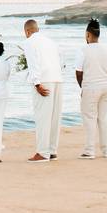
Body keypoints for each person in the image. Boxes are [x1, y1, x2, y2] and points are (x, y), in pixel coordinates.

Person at [23, 19, 64, 163]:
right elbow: (61, 62)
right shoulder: (51, 42)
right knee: (54, 117)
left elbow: (33, 63)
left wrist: (36, 83)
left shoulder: (29, 42)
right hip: (58, 79)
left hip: (44, 81)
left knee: (42, 117)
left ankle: (42, 153)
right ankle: (52, 151)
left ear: (27, 31)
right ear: (37, 29)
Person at [75, 19, 107, 159]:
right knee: (103, 119)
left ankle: (90, 151)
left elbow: (78, 73)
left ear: (87, 34)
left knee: (89, 119)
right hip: (105, 87)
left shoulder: (83, 50)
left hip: (91, 87)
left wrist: (83, 87)